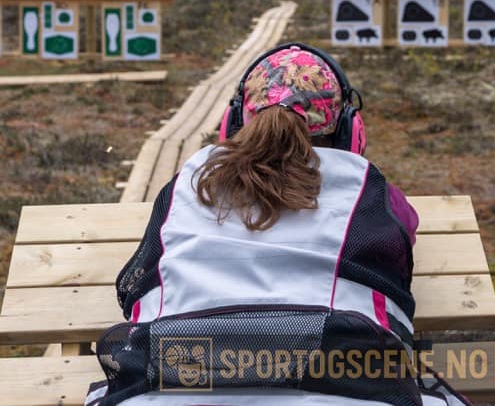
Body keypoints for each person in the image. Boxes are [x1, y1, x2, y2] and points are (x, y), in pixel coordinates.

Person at [85, 42, 470, 406]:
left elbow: (135, 284)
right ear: (351, 132)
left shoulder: (188, 182)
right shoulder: (367, 188)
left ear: (232, 124)